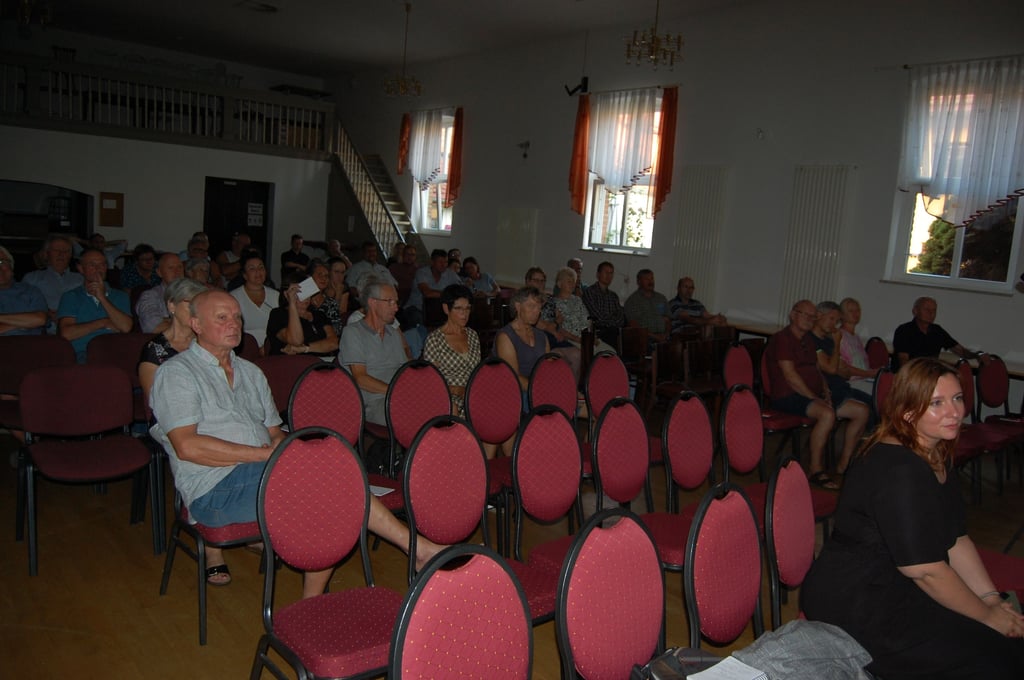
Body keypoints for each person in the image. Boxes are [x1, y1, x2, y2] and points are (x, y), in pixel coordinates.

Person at [150, 290, 441, 593]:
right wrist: (269, 456)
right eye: (221, 318)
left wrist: (293, 451)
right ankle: (417, 549)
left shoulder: (250, 372)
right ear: (196, 324)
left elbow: (275, 433)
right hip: (215, 488)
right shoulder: (177, 373)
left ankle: (312, 604)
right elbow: (188, 446)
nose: (234, 324)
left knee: (336, 484)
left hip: (264, 471)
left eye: (237, 317)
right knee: (333, 488)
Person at [801, 358, 1024, 679]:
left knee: (1005, 642)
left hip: (897, 582)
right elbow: (926, 572)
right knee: (990, 654)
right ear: (907, 411)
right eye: (936, 403)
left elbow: (956, 537)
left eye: (957, 398)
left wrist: (990, 599)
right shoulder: (901, 471)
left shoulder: (932, 451)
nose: (955, 412)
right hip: (860, 598)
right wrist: (988, 618)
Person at [764, 300, 860, 490]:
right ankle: (815, 470)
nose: (810, 319)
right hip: (787, 395)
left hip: (805, 394)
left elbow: (816, 369)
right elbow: (790, 376)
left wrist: (825, 390)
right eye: (805, 314)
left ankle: (828, 464)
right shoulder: (782, 339)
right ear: (792, 315)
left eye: (812, 316)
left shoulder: (807, 339)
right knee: (827, 414)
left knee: (833, 408)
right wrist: (813, 398)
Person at [338, 279, 411, 426]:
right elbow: (361, 378)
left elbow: (406, 371)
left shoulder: (393, 334)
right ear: (372, 302)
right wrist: (396, 392)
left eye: (396, 302)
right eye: (390, 302)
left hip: (400, 398)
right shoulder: (353, 332)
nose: (396, 308)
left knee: (446, 408)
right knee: (412, 415)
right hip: (374, 402)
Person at [809, 301, 871, 473]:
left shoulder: (826, 340)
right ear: (819, 316)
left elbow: (842, 371)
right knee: (862, 410)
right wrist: (837, 344)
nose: (834, 324)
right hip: (825, 390)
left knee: (871, 406)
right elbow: (830, 368)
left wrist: (838, 367)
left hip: (840, 385)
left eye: (836, 320)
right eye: (831, 319)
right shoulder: (813, 340)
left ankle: (848, 459)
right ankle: (844, 463)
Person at [138, 277, 209, 410]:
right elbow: (156, 403)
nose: (197, 311)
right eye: (191, 304)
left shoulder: (209, 341)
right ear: (172, 305)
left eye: (200, 305)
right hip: (172, 417)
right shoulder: (154, 350)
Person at [57, 248, 133, 362]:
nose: (98, 269)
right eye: (92, 265)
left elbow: (126, 327)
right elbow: (67, 334)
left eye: (102, 264)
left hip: (114, 353)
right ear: (81, 269)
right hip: (82, 355)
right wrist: (103, 322)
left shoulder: (120, 296)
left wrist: (102, 298)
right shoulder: (71, 297)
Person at [422, 284, 480, 418]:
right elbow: (432, 384)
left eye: (467, 308)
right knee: (453, 409)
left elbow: (477, 373)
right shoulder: (434, 340)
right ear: (446, 309)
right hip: (447, 396)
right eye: (459, 308)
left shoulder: (472, 335)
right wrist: (458, 390)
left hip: (472, 395)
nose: (464, 314)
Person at [265, 274, 338, 359]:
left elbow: (334, 343)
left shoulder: (319, 315)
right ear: (286, 294)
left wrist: (305, 348)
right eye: (299, 292)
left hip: (321, 363)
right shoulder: (277, 314)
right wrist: (292, 303)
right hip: (291, 364)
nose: (305, 297)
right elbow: (296, 340)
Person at [893, 297, 976, 369]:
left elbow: (960, 351)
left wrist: (978, 355)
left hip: (930, 375)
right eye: (927, 309)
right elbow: (904, 362)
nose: (931, 313)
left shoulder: (937, 331)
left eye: (934, 310)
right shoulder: (904, 330)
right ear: (915, 311)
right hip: (910, 376)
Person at [494, 286, 550, 396]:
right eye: (531, 306)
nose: (536, 311)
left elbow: (547, 370)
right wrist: (541, 392)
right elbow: (514, 376)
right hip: (516, 393)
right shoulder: (505, 336)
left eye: (539, 307)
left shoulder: (541, 336)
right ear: (518, 306)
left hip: (538, 389)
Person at [23, 235, 83, 332]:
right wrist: (48, 313)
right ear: (47, 254)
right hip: (43, 332)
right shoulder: (32, 279)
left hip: (77, 329)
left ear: (70, 255)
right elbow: (22, 307)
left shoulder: (81, 279)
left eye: (66, 251)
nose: (61, 254)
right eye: (56, 250)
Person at [403, 248, 463, 329]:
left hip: (438, 310)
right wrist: (449, 294)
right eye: (440, 262)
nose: (444, 265)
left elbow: (461, 291)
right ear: (432, 262)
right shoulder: (422, 272)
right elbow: (427, 293)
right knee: (419, 322)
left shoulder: (450, 274)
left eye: (446, 262)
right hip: (416, 308)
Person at [229, 252, 277, 351]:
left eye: (261, 268)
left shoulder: (276, 296)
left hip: (271, 348)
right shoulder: (233, 297)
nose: (258, 272)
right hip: (243, 349)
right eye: (252, 269)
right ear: (245, 275)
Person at [0, 246, 47, 336]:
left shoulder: (30, 291)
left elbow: (40, 319)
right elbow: (34, 321)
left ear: (11, 267)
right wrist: (25, 323)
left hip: (29, 345)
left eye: (2, 262)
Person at [135, 253, 184, 333]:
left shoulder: (193, 294)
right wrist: (187, 323)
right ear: (159, 272)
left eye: (180, 267)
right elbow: (154, 327)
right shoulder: (150, 296)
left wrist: (169, 321)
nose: (177, 271)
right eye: (171, 268)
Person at [582, 261, 625, 347]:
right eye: (606, 272)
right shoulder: (590, 292)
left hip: (613, 330)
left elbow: (620, 318)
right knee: (613, 332)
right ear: (598, 275)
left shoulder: (613, 296)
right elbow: (597, 317)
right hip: (597, 331)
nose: (609, 276)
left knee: (623, 332)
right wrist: (612, 322)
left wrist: (612, 323)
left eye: (611, 273)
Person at [624, 269, 671, 342]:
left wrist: (666, 334)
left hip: (664, 338)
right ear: (639, 282)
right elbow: (634, 326)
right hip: (644, 339)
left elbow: (668, 320)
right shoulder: (632, 301)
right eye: (646, 279)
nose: (650, 282)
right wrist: (655, 336)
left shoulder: (661, 298)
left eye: (652, 278)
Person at [838, 297, 875, 378]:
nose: (855, 313)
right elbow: (843, 366)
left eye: (857, 310)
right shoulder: (839, 335)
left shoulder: (856, 337)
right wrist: (868, 374)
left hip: (863, 378)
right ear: (842, 315)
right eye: (851, 311)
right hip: (851, 381)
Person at [307, 259, 345, 336]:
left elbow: (337, 330)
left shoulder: (331, 303)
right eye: (320, 275)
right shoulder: (302, 301)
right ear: (309, 277)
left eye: (326, 276)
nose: (324, 278)